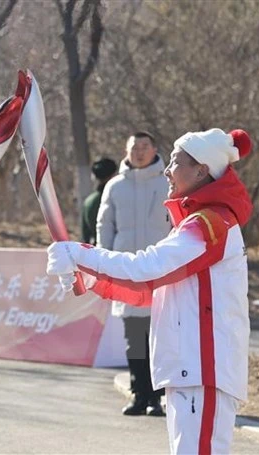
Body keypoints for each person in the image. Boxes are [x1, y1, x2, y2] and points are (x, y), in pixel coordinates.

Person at [47, 129, 253, 454]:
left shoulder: (212, 223)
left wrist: (81, 254)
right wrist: (89, 276)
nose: (168, 170)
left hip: (203, 367)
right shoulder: (197, 223)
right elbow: (151, 289)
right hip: (189, 369)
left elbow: (148, 266)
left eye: (175, 161)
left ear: (201, 170)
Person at [96, 131, 170, 416]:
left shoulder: (168, 183)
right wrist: (106, 261)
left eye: (144, 146)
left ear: (154, 149)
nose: (139, 152)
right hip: (127, 271)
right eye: (134, 147)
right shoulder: (115, 187)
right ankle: (139, 396)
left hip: (161, 271)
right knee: (134, 338)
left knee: (160, 337)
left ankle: (158, 397)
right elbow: (105, 226)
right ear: (125, 151)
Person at [81, 157, 117, 244]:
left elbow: (86, 235)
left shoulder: (89, 201)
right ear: (113, 176)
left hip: (95, 250)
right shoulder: (117, 199)